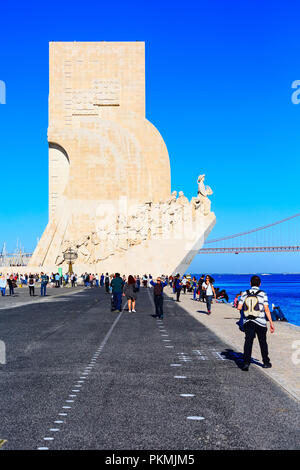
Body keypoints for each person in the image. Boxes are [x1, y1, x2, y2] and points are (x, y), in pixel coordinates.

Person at [238, 275, 275, 371]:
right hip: (261, 322)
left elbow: (239, 307)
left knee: (248, 342)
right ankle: (266, 362)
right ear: (260, 284)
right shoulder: (263, 294)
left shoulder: (244, 293)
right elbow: (266, 309)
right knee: (262, 342)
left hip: (248, 321)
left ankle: (246, 363)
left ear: (250, 283)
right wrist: (271, 322)